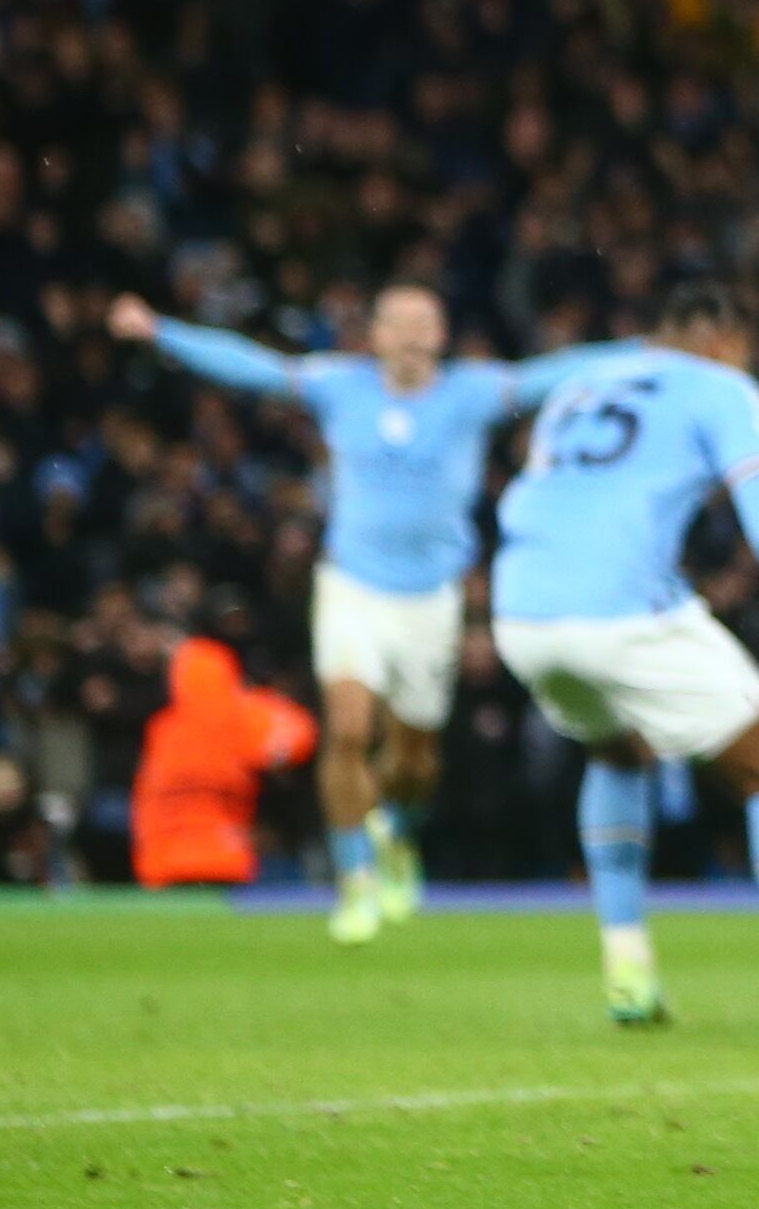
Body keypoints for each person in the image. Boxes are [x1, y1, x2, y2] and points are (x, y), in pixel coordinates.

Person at [111, 286, 628, 942]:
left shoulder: (472, 393)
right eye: (400, 326)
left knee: (414, 757)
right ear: (375, 334)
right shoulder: (339, 385)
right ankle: (354, 878)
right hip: (352, 585)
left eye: (426, 325)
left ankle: (397, 836)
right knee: (349, 729)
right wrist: (160, 331)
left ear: (442, 335)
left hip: (432, 598)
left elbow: (552, 374)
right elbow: (254, 366)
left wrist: (643, 351)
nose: (412, 338)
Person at [486, 281, 759, 1035]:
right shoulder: (724, 385)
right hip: (622, 612)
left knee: (618, 752)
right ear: (720, 335)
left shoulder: (583, 383)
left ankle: (628, 973)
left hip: (522, 612)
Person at [131, 599, 319, 889]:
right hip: (225, 854)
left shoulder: (162, 728)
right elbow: (300, 736)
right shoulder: (244, 716)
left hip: (161, 860)